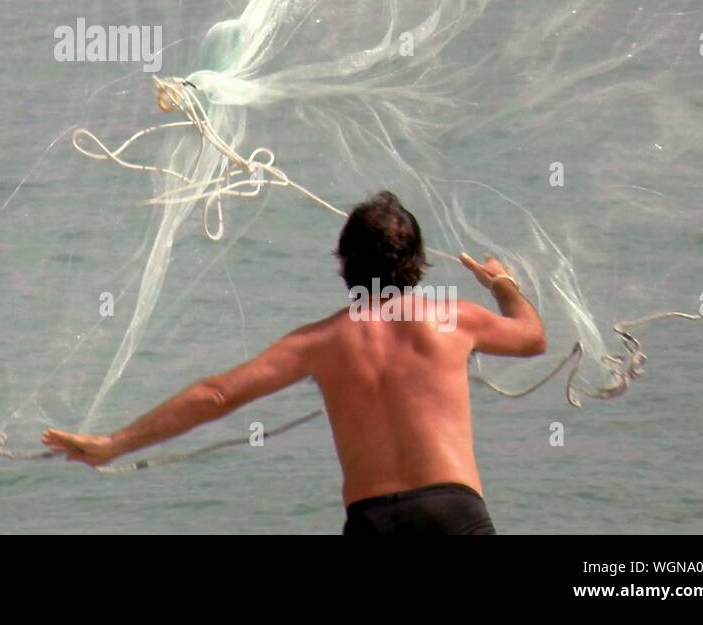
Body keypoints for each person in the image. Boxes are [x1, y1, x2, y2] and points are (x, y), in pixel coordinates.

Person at [42, 190, 546, 534]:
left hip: (372, 521)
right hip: (452, 514)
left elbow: (217, 394)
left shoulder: (319, 342)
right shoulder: (455, 321)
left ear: (344, 264)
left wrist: (113, 444)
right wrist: (501, 284)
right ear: (417, 262)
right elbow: (531, 338)